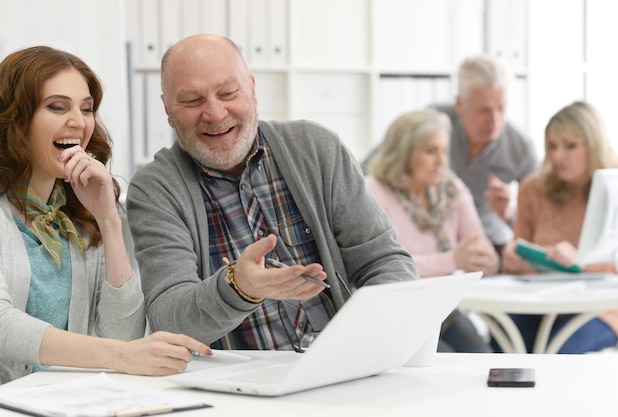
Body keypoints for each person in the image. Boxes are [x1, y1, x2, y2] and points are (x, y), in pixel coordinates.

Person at [125, 34, 418, 352]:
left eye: (228, 93)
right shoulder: (154, 190)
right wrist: (238, 287)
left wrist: (366, 340)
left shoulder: (316, 148)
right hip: (242, 390)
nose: (215, 113)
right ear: (168, 109)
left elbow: (384, 261)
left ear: (252, 89)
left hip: (347, 362)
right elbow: (169, 319)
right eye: (193, 101)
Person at [0, 46, 213, 387]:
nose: (78, 122)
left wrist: (108, 220)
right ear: (15, 117)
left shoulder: (77, 218)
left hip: (67, 402)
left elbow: (121, 335)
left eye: (86, 109)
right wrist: (122, 357)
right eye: (56, 107)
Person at [363, 55, 539, 253]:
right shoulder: (434, 123)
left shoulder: (521, 146)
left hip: (488, 239)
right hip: (429, 235)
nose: (494, 120)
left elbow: (540, 220)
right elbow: (376, 166)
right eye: (484, 110)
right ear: (460, 104)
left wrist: (511, 212)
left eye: (501, 107)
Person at [365, 108, 498, 352]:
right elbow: (387, 268)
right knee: (444, 367)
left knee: (484, 357)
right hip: (397, 316)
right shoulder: (375, 192)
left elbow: (480, 248)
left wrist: (485, 258)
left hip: (442, 308)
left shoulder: (452, 190)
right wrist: (453, 259)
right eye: (430, 151)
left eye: (444, 151)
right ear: (403, 155)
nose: (441, 162)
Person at [501, 100, 618, 353]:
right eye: (552, 146)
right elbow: (518, 248)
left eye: (570, 146)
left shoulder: (613, 184)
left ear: (594, 145)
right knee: (499, 347)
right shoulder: (533, 188)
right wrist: (513, 257)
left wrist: (583, 261)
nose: (558, 156)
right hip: (541, 304)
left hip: (603, 308)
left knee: (559, 352)